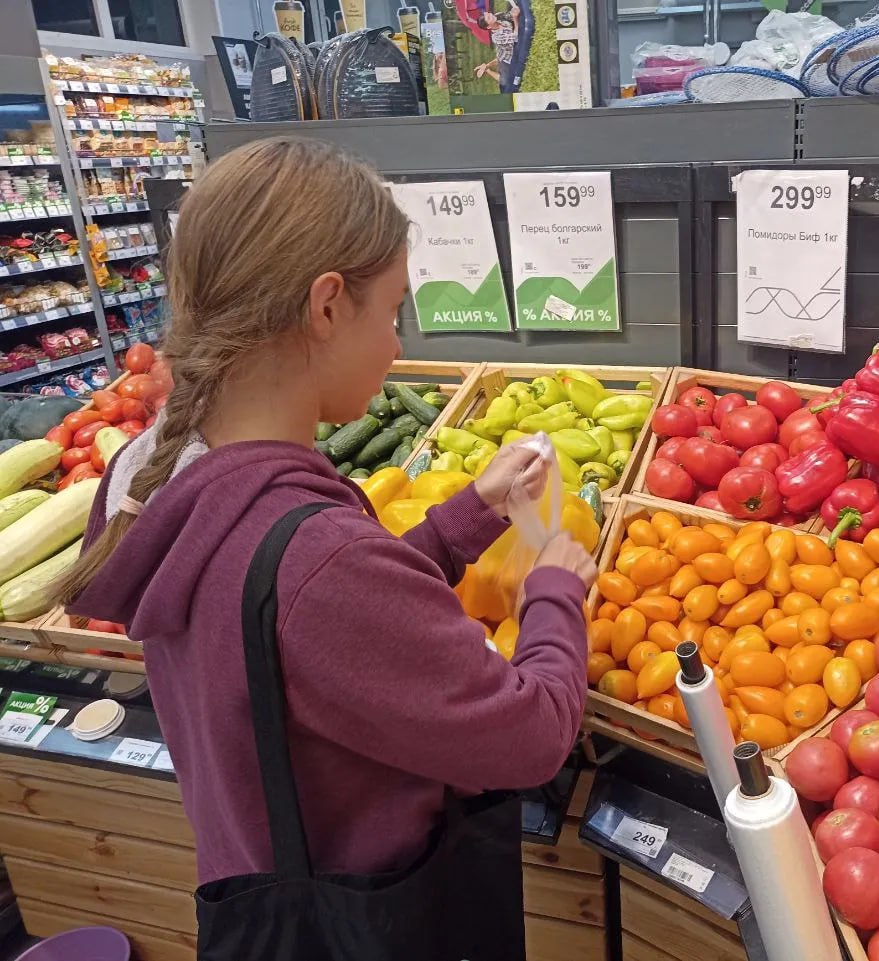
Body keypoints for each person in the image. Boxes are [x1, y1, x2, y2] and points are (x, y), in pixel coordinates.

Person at [55, 136, 595, 955]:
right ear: (327, 304)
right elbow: (528, 737)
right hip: (373, 918)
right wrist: (554, 591)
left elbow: (301, 628)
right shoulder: (319, 558)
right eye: (392, 310)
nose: (396, 344)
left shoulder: (154, 474)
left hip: (255, 891)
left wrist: (464, 518)